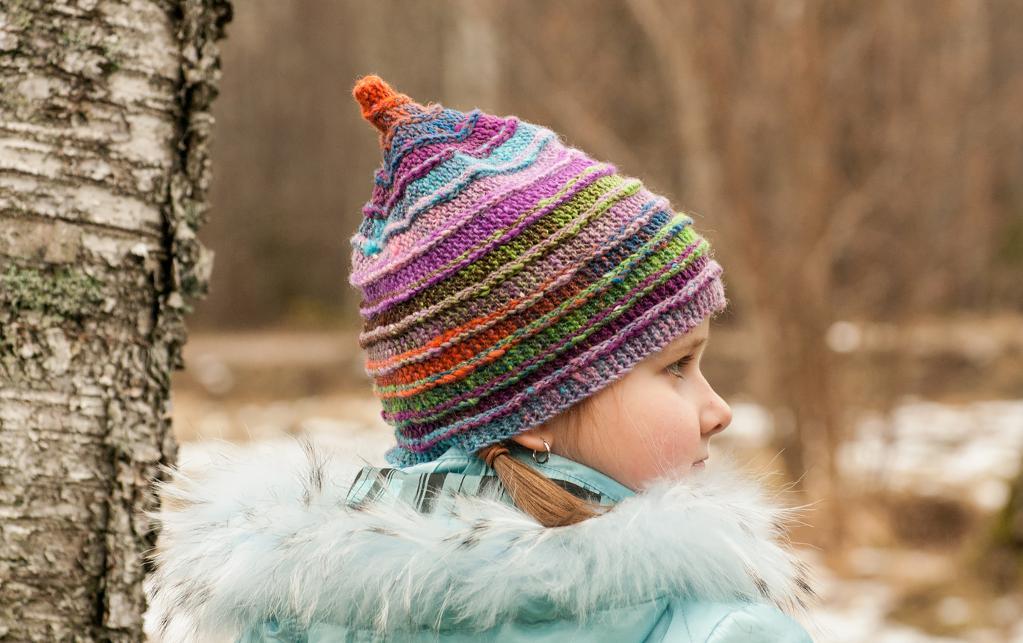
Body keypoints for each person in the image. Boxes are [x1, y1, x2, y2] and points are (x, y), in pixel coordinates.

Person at [145, 75, 820, 642]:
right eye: (675, 366)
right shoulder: (713, 627)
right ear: (531, 410)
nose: (717, 409)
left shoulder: (289, 618)